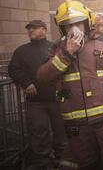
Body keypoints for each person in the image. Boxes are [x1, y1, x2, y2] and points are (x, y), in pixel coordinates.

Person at [36, 0, 103, 170]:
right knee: (87, 164)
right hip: (77, 126)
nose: (74, 29)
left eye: (78, 24)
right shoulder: (57, 49)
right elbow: (42, 77)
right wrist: (67, 53)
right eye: (68, 25)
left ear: (87, 22)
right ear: (62, 28)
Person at [8, 20, 67, 169]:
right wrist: (26, 83)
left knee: (61, 131)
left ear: (44, 30)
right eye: (29, 29)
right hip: (36, 102)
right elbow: (13, 69)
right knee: (39, 133)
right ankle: (43, 164)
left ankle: (63, 160)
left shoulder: (54, 48)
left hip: (57, 99)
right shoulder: (21, 51)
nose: (31, 31)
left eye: (34, 28)